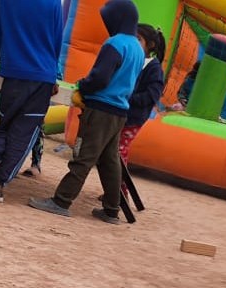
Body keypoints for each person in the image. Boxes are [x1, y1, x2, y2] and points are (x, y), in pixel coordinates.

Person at [27, 0, 144, 224]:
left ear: (117, 18)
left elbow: (100, 77)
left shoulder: (115, 44)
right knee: (110, 162)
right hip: (119, 111)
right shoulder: (137, 48)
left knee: (83, 157)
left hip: (99, 109)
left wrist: (83, 86)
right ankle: (112, 209)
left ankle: (61, 201)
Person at [0, 0, 64, 203]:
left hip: (12, 74)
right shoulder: (54, 2)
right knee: (23, 134)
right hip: (41, 78)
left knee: (4, 126)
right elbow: (56, 40)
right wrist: (56, 74)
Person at [119, 23, 165, 167]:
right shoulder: (132, 60)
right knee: (112, 151)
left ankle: (121, 187)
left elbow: (152, 95)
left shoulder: (153, 68)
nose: (134, 42)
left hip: (134, 117)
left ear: (150, 45)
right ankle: (114, 187)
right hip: (120, 113)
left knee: (120, 151)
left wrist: (129, 98)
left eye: (138, 39)